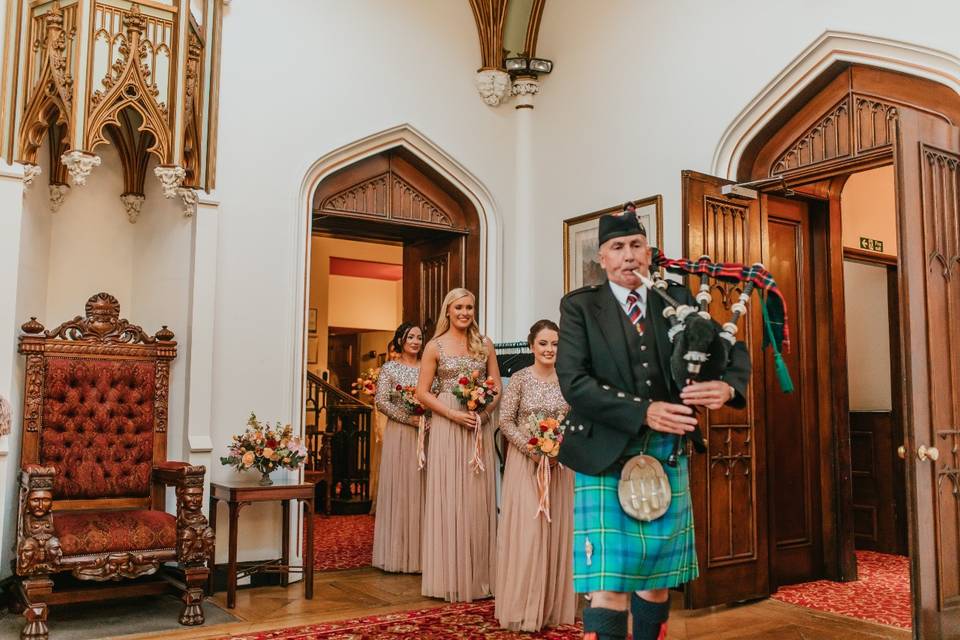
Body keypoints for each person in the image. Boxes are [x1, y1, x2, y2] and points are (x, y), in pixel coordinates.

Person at [556, 207, 751, 640]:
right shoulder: (581, 308)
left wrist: (728, 388)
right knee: (607, 586)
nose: (629, 256)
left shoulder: (678, 300)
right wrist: (642, 411)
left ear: (649, 252)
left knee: (658, 583)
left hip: (667, 451)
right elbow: (574, 383)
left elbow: (731, 349)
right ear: (602, 259)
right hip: (606, 453)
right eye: (617, 248)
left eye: (636, 246)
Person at [416, 288, 501, 601]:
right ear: (448, 311)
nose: (465, 313)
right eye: (459, 308)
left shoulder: (485, 344)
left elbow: (497, 386)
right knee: (449, 497)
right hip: (447, 426)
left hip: (477, 424)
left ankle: (481, 576)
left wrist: (484, 413)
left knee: (477, 498)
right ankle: (448, 576)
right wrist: (453, 414)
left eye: (469, 307)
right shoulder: (434, 346)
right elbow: (422, 393)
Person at [495, 319, 575, 631]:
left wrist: (557, 451)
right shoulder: (519, 379)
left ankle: (550, 607)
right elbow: (505, 420)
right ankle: (522, 606)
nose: (549, 349)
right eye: (543, 343)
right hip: (524, 464)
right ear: (531, 346)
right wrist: (532, 450)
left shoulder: (568, 380)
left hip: (558, 467)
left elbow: (572, 422)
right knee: (528, 534)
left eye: (554, 344)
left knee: (554, 531)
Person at [372, 323, 426, 573]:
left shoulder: (429, 366)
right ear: (400, 340)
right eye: (410, 337)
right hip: (400, 432)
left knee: (422, 489)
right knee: (401, 488)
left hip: (426, 433)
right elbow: (381, 401)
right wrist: (408, 418)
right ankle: (397, 553)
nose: (415, 341)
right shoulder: (390, 368)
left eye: (419, 337)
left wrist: (426, 419)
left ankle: (422, 554)